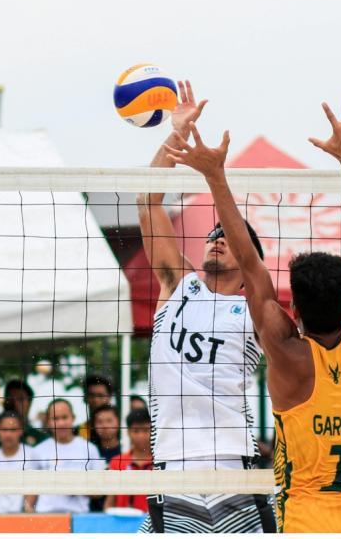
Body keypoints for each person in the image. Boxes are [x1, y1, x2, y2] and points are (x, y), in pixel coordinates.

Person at [167, 94, 341, 532]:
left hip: (304, 520)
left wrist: (214, 177)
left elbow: (250, 264)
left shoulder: (288, 353)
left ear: (293, 311)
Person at [135, 80, 275, 534]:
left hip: (233, 463)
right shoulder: (178, 285)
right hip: (171, 464)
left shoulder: (254, 308)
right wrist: (175, 133)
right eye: (212, 234)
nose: (216, 239)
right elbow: (146, 200)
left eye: (227, 238)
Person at [32, 398, 105, 514]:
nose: (61, 423)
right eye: (55, 418)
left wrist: (76, 487)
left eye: (65, 417)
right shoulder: (37, 451)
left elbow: (99, 492)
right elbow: (30, 491)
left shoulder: (90, 449)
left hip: (78, 516)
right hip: (45, 515)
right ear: (48, 422)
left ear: (73, 418)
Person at [0, 379, 48, 466]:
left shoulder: (39, 437)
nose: (14, 403)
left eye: (20, 399)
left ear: (29, 404)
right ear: (4, 401)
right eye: (10, 398)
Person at [0, 410, 43, 514]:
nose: (8, 434)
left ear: (21, 430)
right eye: (4, 429)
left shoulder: (32, 455)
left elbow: (33, 493)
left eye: (13, 430)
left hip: (21, 518)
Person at [104, 408, 154, 513]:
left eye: (146, 430)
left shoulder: (160, 463)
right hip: (122, 523)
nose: (141, 435)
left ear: (153, 431)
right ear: (128, 432)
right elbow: (109, 502)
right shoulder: (117, 462)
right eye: (136, 431)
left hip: (152, 524)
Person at [77, 374, 114, 442]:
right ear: (85, 398)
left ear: (110, 397)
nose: (95, 400)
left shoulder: (123, 431)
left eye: (100, 395)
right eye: (91, 395)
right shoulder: (77, 432)